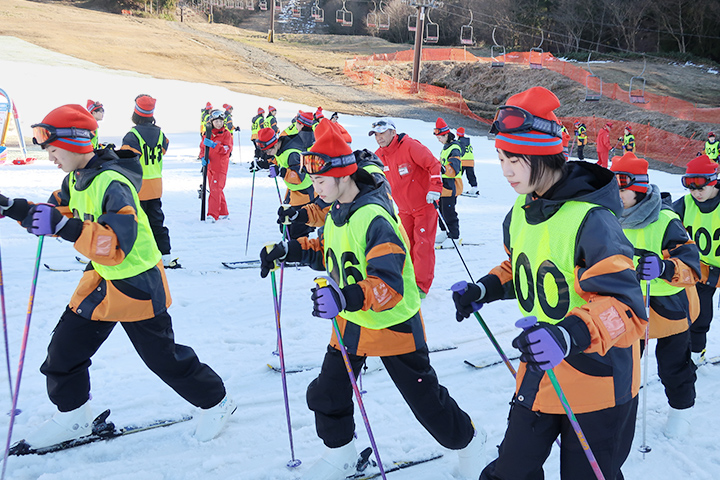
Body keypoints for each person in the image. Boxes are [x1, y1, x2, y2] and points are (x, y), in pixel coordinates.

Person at [259, 119, 485, 480]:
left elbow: (388, 285)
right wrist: (289, 251)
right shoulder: (337, 210)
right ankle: (342, 455)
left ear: (343, 176)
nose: (314, 189)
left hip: (392, 323)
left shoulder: (375, 217)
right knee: (326, 393)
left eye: (319, 181)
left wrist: (343, 297)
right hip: (351, 322)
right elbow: (330, 252)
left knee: (426, 404)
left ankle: (472, 442)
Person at [0, 105, 235, 449]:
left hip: (137, 283)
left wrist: (64, 228)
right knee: (63, 351)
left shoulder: (113, 182)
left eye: (52, 149)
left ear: (75, 143)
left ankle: (216, 402)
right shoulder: (75, 180)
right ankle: (73, 416)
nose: (49, 156)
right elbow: (54, 213)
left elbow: (115, 242)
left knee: (162, 358)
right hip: (101, 280)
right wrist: (12, 208)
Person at [453, 87, 647, 480]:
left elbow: (626, 310)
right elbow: (523, 268)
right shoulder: (522, 210)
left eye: (514, 159)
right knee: (511, 471)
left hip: (600, 378)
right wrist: (484, 289)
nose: (504, 170)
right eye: (501, 157)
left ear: (543, 155)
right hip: (542, 369)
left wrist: (568, 334)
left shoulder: (594, 221)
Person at [610, 151, 699, 438]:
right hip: (630, 305)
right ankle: (620, 413)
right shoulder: (609, 216)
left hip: (669, 304)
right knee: (623, 365)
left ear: (638, 188)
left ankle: (681, 411)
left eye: (621, 188)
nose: (616, 194)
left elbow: (692, 266)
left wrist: (664, 267)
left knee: (673, 366)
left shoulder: (665, 220)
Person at [371, 117, 442, 297]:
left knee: (423, 245)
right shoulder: (379, 155)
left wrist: (435, 188)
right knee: (404, 244)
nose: (379, 138)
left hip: (425, 205)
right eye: (376, 135)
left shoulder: (409, 146)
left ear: (393, 132)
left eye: (382, 133)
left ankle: (421, 286)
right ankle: (406, 279)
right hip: (403, 210)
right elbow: (370, 177)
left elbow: (434, 165)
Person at [120, 94, 178, 269]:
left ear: (136, 113)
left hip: (138, 185)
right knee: (156, 220)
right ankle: (165, 256)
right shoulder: (161, 134)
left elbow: (127, 160)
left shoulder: (132, 135)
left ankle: (136, 255)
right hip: (156, 185)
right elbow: (163, 150)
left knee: (136, 222)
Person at [672, 154, 720, 365]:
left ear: (714, 181)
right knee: (699, 315)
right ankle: (696, 355)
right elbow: (666, 219)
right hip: (704, 270)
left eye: (700, 188)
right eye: (691, 188)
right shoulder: (686, 204)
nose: (696, 193)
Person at [256, 126, 316, 239]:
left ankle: (299, 251)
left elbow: (299, 176)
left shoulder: (291, 154)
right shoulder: (281, 146)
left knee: (295, 229)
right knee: (285, 223)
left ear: (275, 143)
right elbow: (278, 159)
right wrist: (263, 164)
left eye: (269, 150)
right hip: (293, 192)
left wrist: (282, 172)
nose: (268, 153)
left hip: (305, 193)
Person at [434, 117, 462, 249]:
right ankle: (445, 232)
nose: (439, 140)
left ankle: (454, 236)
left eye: (440, 137)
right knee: (441, 210)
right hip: (443, 184)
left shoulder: (454, 148)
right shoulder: (446, 147)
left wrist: (441, 168)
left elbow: (453, 167)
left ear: (447, 135)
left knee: (449, 211)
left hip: (451, 185)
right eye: (437, 138)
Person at [199, 110, 233, 222]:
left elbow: (226, 150)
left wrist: (214, 145)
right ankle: (223, 212)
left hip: (220, 167)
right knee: (216, 190)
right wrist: (203, 157)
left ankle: (213, 214)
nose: (219, 124)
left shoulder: (226, 134)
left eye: (220, 121)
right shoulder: (207, 134)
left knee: (215, 190)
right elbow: (202, 147)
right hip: (210, 166)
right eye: (216, 121)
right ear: (212, 122)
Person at [457, 127, 478, 197]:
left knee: (458, 175)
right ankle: (474, 188)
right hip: (470, 160)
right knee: (470, 175)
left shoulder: (459, 142)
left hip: (463, 161)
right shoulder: (467, 142)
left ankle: (456, 188)